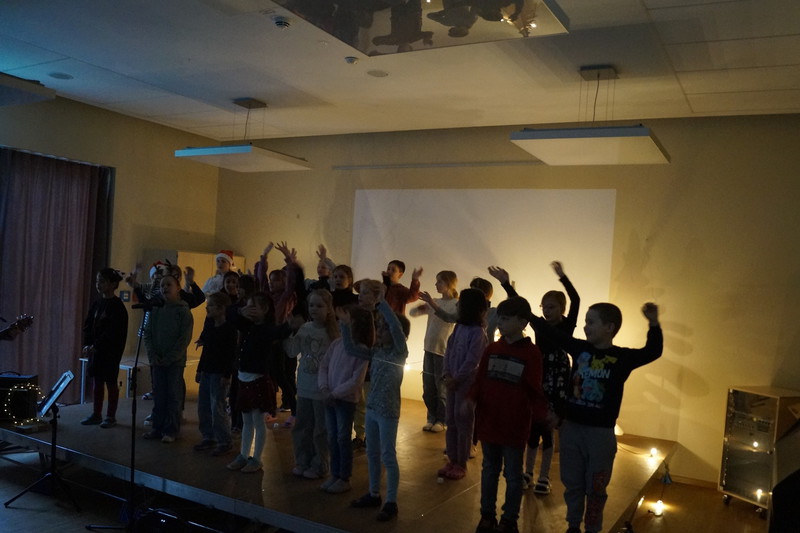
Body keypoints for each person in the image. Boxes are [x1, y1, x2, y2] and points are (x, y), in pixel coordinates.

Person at [530, 302, 662, 533]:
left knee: (596, 487)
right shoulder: (579, 348)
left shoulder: (621, 357)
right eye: (585, 321)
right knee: (572, 483)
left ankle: (592, 528)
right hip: (571, 430)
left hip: (600, 435)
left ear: (609, 327)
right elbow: (549, 331)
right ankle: (573, 526)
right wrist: (524, 310)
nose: (585, 326)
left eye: (591, 322)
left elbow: (653, 351)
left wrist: (653, 323)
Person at [489, 261, 578, 494]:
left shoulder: (567, 325)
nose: (546, 311)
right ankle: (527, 472)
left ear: (562, 308)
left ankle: (544, 476)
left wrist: (563, 277)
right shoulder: (539, 325)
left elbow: (576, 299)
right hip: (539, 373)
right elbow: (521, 307)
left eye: (552, 307)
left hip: (558, 378)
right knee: (533, 427)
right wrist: (506, 283)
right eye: (544, 307)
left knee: (548, 428)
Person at [470, 297, 545, 533]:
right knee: (489, 470)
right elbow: (480, 379)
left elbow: (534, 390)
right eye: (499, 318)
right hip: (489, 423)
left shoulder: (532, 354)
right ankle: (487, 516)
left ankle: (509, 519)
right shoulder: (492, 349)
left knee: (513, 474)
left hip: (514, 425)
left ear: (522, 322)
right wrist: (471, 399)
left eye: (505, 318)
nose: (500, 322)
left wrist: (543, 415)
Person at [343, 286, 410, 522]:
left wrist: (383, 305)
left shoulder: (399, 353)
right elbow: (350, 348)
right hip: (372, 409)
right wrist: (344, 326)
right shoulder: (377, 352)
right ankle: (373, 494)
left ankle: (391, 501)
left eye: (384, 328)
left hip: (388, 412)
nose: (380, 331)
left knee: (387, 456)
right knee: (372, 454)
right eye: (378, 327)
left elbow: (396, 328)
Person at [226, 292, 292, 473]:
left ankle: (256, 458)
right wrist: (241, 311)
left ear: (265, 309)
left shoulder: (267, 329)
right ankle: (243, 455)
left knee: (257, 420)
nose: (249, 310)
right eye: (248, 306)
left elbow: (281, 331)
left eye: (253, 307)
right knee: (246, 420)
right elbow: (230, 314)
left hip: (257, 379)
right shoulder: (247, 324)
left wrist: (291, 322)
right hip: (243, 377)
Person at [318, 307, 372, 494]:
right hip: (330, 397)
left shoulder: (361, 350)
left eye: (346, 320)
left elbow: (356, 381)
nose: (342, 322)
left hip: (345, 400)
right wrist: (325, 389)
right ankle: (335, 474)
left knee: (342, 438)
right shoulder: (336, 344)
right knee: (332, 437)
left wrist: (334, 394)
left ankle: (344, 477)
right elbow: (324, 366)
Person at [286, 289, 338, 480]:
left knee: (321, 429)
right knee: (302, 427)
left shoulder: (333, 333)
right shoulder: (305, 328)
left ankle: (320, 464)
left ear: (329, 308)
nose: (314, 309)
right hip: (304, 386)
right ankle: (302, 461)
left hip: (323, 388)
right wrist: (289, 330)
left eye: (319, 305)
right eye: (311, 305)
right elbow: (292, 351)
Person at [439, 288, 488, 480]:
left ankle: (461, 463)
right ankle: (452, 459)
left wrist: (456, 378)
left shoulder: (478, 333)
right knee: (450, 420)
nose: (457, 306)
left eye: (461, 303)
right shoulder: (458, 328)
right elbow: (448, 351)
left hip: (465, 385)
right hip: (452, 382)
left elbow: (473, 360)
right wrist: (446, 373)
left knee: (464, 422)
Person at [142, 274, 193, 443]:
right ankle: (157, 428)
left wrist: (170, 357)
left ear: (178, 288)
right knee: (159, 395)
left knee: (173, 396)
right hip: (157, 360)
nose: (165, 288)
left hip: (175, 363)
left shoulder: (183, 311)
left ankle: (171, 430)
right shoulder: (155, 310)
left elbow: (184, 339)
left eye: (168, 284)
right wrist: (153, 355)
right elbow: (147, 334)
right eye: (162, 285)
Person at [410, 270, 458, 433]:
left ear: (449, 284)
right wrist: (422, 307)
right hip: (429, 348)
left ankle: (441, 420)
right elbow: (413, 313)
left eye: (440, 282)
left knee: (441, 388)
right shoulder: (434, 302)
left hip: (443, 351)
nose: (436, 284)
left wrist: (431, 303)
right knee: (428, 387)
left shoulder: (455, 303)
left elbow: (449, 318)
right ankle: (431, 417)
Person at [80, 268, 129, 428]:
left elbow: (113, 332)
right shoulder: (97, 303)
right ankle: (96, 414)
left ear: (113, 284)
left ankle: (110, 416)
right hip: (95, 350)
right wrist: (87, 344)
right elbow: (88, 325)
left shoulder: (117, 306)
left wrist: (97, 345)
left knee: (110, 381)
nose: (98, 284)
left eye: (102, 281)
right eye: (97, 281)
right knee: (97, 380)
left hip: (110, 352)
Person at [193, 291, 238, 456]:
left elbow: (230, 354)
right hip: (207, 371)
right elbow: (205, 351)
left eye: (211, 305)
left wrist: (227, 374)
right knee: (203, 405)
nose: (207, 308)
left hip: (219, 373)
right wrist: (199, 369)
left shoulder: (229, 330)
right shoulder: (210, 326)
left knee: (217, 406)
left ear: (221, 308)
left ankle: (224, 440)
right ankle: (208, 436)